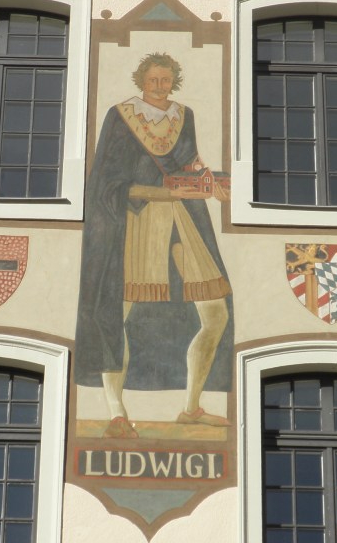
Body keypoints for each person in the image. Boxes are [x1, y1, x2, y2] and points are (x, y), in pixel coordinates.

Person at [75, 53, 233, 439]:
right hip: (138, 221)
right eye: (153, 80)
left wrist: (210, 181)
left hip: (186, 217)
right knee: (116, 314)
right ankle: (117, 413)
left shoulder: (184, 115)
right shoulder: (121, 116)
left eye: (166, 80)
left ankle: (191, 407)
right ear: (141, 81)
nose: (160, 86)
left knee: (216, 315)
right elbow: (108, 182)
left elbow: (189, 162)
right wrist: (160, 192)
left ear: (173, 81)